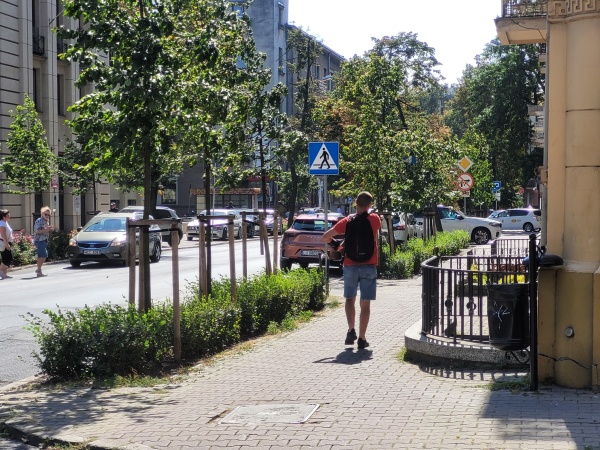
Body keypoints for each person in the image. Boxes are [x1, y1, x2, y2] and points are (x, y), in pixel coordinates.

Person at [322, 191, 381, 349]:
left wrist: (338, 246)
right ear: (370, 205)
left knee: (350, 299)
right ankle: (362, 338)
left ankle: (351, 330)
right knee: (365, 304)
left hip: (350, 264)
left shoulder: (347, 221)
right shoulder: (375, 219)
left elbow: (326, 237)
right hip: (369, 265)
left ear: (355, 203)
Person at [33, 206, 53, 277]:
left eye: (48, 215)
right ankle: (38, 270)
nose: (47, 216)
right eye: (46, 214)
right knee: (44, 255)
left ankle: (39, 270)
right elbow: (37, 231)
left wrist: (48, 229)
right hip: (39, 240)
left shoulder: (46, 220)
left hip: (43, 239)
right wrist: (47, 229)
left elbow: (45, 229)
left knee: (40, 255)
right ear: (42, 214)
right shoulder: (40, 220)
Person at [0, 209, 14, 279]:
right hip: (4, 243)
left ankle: (4, 274)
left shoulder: (5, 222)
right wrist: (7, 244)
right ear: (4, 216)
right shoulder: (2, 224)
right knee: (7, 259)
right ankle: (1, 271)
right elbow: (3, 235)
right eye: (8, 215)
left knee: (6, 258)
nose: (9, 215)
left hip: (7, 242)